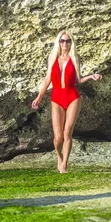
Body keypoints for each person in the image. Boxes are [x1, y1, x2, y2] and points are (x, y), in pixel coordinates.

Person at [31, 30, 102, 173]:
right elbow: (47, 79)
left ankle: (64, 163)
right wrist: (39, 97)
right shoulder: (53, 57)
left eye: (68, 41)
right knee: (58, 138)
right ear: (58, 42)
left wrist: (91, 77)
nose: (65, 43)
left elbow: (78, 80)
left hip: (72, 96)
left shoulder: (75, 57)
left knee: (67, 133)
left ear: (71, 42)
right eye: (62, 41)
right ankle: (59, 156)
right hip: (56, 98)